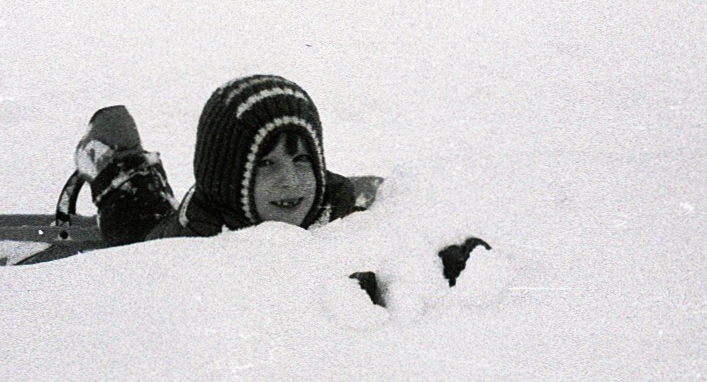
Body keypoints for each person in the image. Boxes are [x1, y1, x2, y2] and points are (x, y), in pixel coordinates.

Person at [71, 74, 484, 300]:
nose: (290, 181)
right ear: (228, 178)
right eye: (266, 165)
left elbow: (403, 215)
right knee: (132, 226)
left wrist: (439, 256)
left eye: (302, 160)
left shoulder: (348, 204)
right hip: (157, 229)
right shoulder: (193, 238)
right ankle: (112, 152)